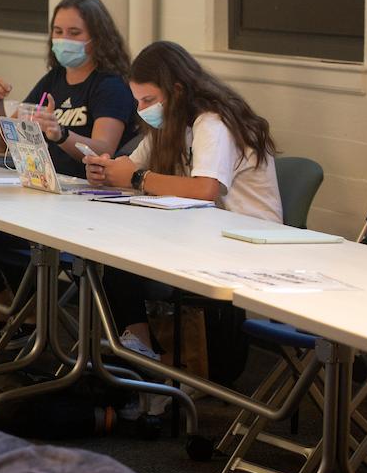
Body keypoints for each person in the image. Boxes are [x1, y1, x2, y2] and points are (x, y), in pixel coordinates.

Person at [0, 0, 139, 357]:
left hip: (82, 197)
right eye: (58, 31)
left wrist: (60, 134)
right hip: (43, 189)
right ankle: (10, 309)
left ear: (98, 38)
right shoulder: (55, 79)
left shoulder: (109, 85)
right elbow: (3, 145)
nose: (64, 40)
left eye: (74, 32)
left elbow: (104, 148)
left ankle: (21, 315)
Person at [84, 39, 282, 357]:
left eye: (148, 99)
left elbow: (206, 189)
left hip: (244, 241)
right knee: (103, 251)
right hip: (204, 232)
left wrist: (135, 178)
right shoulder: (170, 124)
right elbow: (132, 167)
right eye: (137, 101)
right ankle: (139, 350)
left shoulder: (213, 121)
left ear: (176, 91)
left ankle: (142, 357)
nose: (142, 109)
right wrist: (106, 172)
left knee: (115, 255)